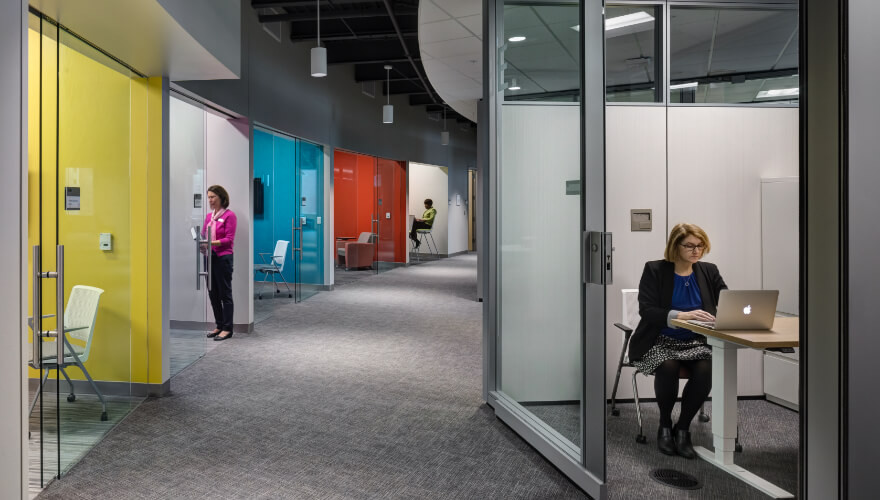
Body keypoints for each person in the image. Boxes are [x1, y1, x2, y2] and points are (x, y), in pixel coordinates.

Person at [628, 222, 727, 459]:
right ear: (675, 246)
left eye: (700, 245)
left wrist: (727, 315)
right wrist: (680, 315)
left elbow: (726, 300)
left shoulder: (708, 270)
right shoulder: (655, 270)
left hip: (696, 341)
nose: (696, 251)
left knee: (706, 368)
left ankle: (682, 428)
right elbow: (647, 310)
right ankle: (664, 425)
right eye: (690, 246)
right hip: (659, 340)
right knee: (668, 365)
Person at [203, 185, 237, 341]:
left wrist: (211, 243)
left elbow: (228, 240)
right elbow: (204, 234)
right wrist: (202, 242)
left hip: (223, 258)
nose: (210, 200)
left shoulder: (230, 216)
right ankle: (219, 325)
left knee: (225, 294)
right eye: (209, 197)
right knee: (213, 294)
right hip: (209, 257)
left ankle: (227, 329)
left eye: (213, 197)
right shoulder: (209, 217)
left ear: (221, 198)